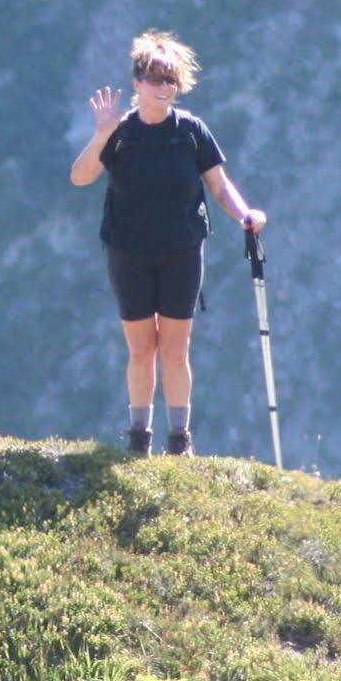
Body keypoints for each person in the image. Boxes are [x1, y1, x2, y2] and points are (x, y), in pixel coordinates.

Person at [69, 31, 265, 456]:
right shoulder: (118, 134)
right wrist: (101, 133)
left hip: (181, 252)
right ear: (137, 83)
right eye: (155, 79)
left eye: (170, 80)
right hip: (128, 253)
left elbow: (219, 184)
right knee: (141, 349)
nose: (163, 88)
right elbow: (80, 177)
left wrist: (246, 214)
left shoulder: (191, 131)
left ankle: (180, 440)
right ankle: (139, 438)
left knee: (175, 348)